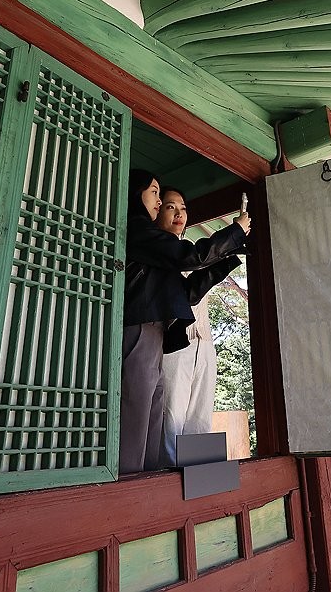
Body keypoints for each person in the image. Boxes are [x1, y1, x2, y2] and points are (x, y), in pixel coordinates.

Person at [120, 170, 249, 474]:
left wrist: (231, 254)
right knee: (145, 411)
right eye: (158, 196)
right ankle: (128, 481)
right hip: (143, 327)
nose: (177, 213)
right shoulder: (141, 231)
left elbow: (188, 291)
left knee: (157, 410)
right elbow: (190, 257)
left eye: (183, 208)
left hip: (163, 334)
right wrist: (234, 234)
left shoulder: (158, 247)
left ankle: (154, 477)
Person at [156, 187, 241, 466]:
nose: (179, 212)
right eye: (170, 207)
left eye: (182, 206)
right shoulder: (159, 249)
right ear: (157, 211)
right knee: (172, 417)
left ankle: (201, 483)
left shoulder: (190, 247)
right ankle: (168, 484)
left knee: (200, 416)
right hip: (174, 344)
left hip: (204, 341)